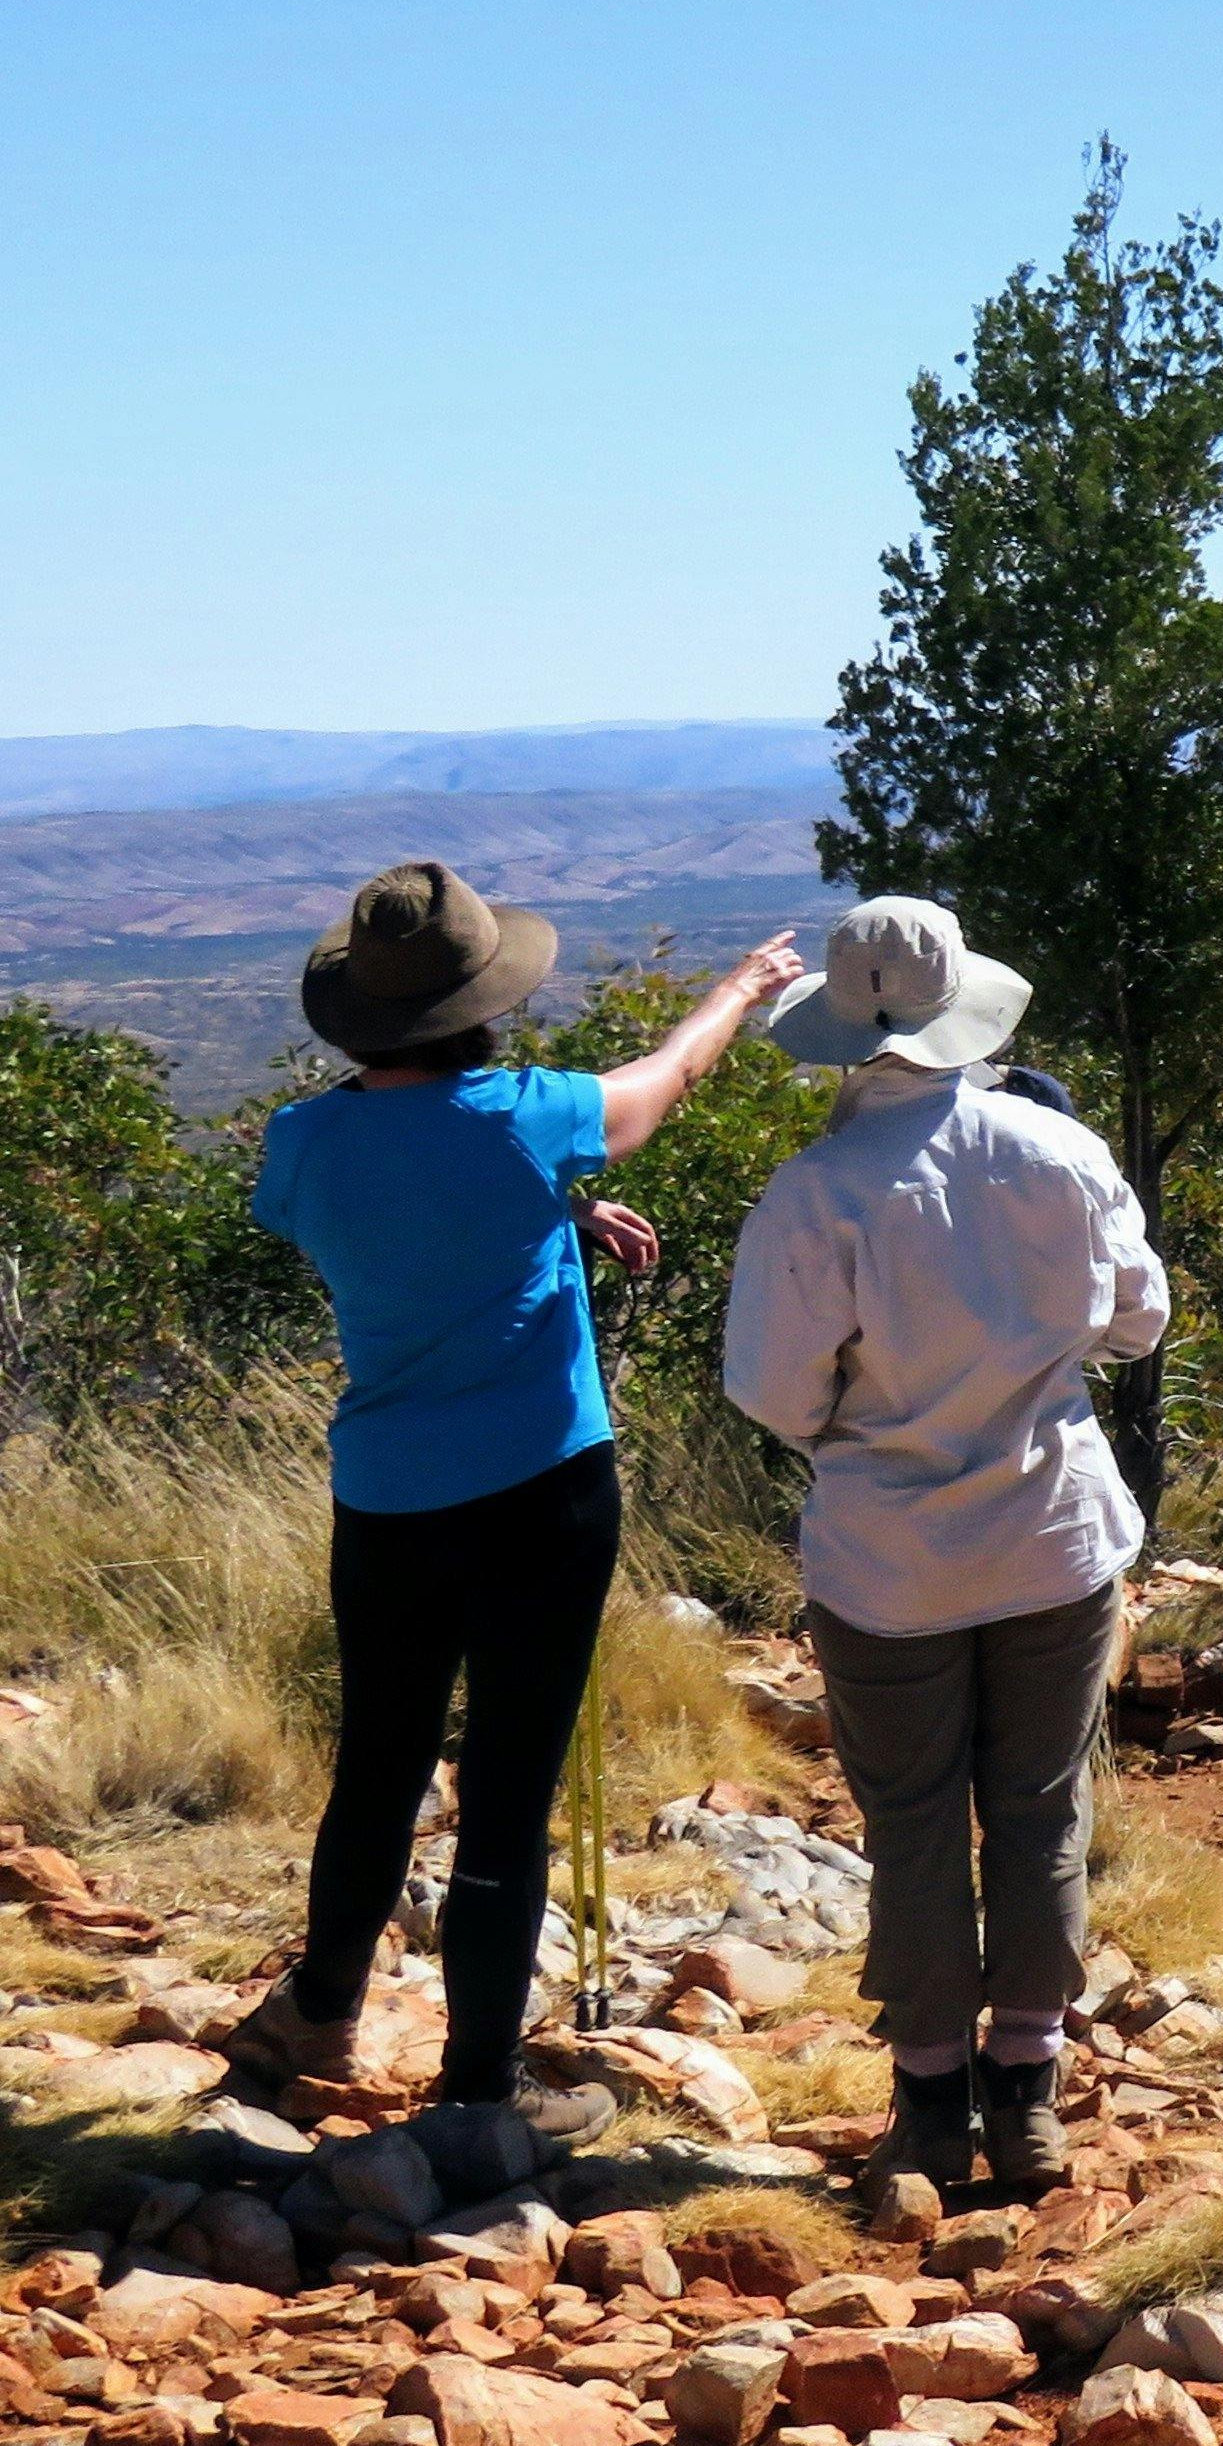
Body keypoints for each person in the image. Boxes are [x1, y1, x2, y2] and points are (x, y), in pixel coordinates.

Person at [234, 867, 810, 2128]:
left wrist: (556, 1216)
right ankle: (482, 2096)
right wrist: (741, 987)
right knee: (507, 1781)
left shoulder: (304, 1143)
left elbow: (400, 1205)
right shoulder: (534, 1116)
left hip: (387, 1500)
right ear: (486, 1002)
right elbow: (667, 1080)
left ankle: (321, 2007)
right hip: (546, 1491)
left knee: (380, 1761)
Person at [721, 898, 1168, 2200]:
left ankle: (927, 2110)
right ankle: (1027, 2098)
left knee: (913, 1821)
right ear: (965, 1007)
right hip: (1052, 1535)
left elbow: (776, 1394)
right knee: (1038, 1805)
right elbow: (1137, 1324)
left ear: (842, 1033)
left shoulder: (816, 1194)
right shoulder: (1059, 1152)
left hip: (887, 1560)